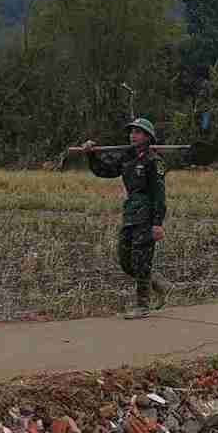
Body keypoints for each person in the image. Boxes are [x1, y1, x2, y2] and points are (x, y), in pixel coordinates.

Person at [83, 118, 170, 319]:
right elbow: (104, 171)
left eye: (138, 132)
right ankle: (160, 284)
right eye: (132, 132)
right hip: (130, 213)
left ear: (148, 137)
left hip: (147, 215)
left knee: (142, 261)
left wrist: (157, 223)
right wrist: (91, 155)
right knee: (126, 261)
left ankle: (142, 305)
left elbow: (159, 195)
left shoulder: (154, 161)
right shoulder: (127, 157)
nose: (133, 135)